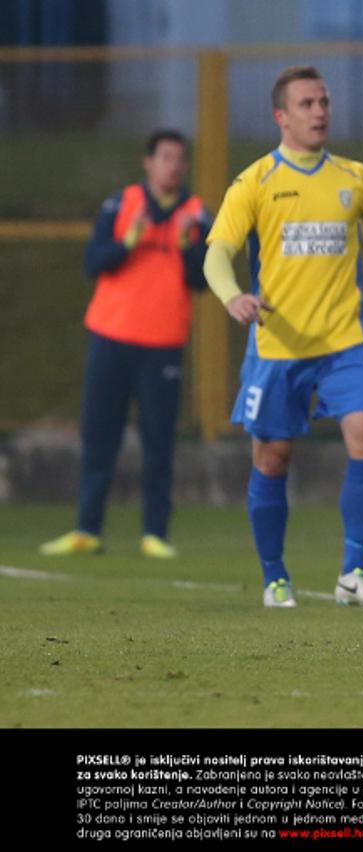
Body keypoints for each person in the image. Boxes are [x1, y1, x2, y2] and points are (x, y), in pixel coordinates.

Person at [202, 65, 363, 608]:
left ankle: (353, 572)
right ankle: (275, 577)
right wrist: (232, 297)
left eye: (324, 101)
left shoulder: (353, 178)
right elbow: (218, 253)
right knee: (272, 459)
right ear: (281, 116)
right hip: (279, 346)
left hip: (345, 343)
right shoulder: (255, 182)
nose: (320, 111)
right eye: (306, 104)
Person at [40, 129, 210, 560]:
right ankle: (86, 529)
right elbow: (94, 263)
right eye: (165, 157)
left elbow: (201, 280)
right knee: (99, 438)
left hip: (163, 343)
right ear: (148, 162)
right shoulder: (121, 206)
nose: (173, 165)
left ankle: (155, 533)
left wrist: (190, 241)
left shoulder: (195, 215)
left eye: (179, 158)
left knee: (158, 443)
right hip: (111, 337)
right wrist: (128, 241)